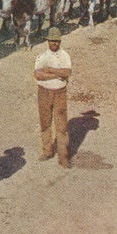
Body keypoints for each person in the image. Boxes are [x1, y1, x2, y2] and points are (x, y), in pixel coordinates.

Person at [33, 27, 72, 168]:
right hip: (44, 92)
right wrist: (57, 74)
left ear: (60, 41)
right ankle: (47, 151)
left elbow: (67, 72)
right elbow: (38, 75)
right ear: (48, 41)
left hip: (60, 92)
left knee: (61, 125)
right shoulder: (42, 57)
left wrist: (50, 70)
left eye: (56, 41)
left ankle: (63, 157)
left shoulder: (65, 56)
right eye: (52, 41)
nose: (54, 43)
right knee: (45, 122)